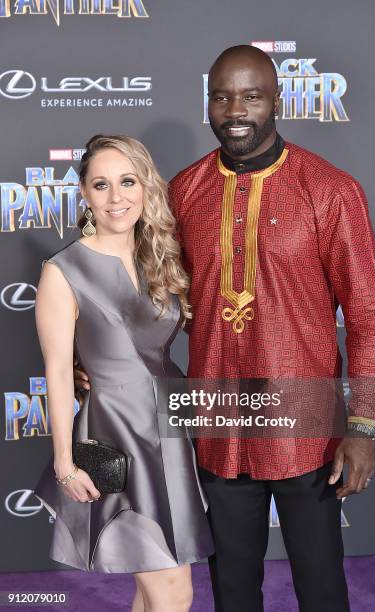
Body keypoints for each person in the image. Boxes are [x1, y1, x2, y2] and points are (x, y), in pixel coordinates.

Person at [75, 46, 375, 612]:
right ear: (208, 105)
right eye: (222, 97)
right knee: (231, 590)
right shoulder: (184, 192)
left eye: (251, 96)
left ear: (276, 100)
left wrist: (364, 427)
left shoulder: (330, 191)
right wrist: (99, 361)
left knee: (322, 587)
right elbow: (153, 299)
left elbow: (368, 316)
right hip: (218, 424)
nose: (235, 109)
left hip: (307, 423)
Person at [33, 134, 214, 612]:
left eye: (127, 181)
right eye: (101, 184)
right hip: (118, 434)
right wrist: (64, 462)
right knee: (173, 590)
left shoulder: (160, 258)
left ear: (145, 186)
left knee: (152, 589)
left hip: (172, 427)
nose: (117, 197)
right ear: (85, 195)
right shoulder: (63, 270)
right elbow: (55, 373)